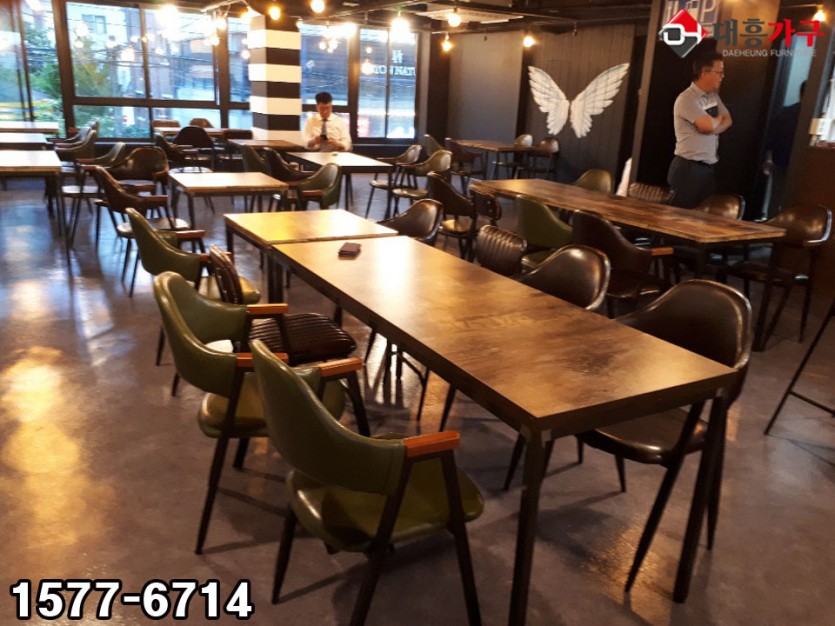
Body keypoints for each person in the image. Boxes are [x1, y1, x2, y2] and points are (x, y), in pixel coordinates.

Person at [668, 52, 732, 208]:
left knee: (702, 215)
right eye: (719, 72)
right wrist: (714, 123)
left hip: (707, 168)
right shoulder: (687, 98)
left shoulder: (713, 97)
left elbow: (728, 120)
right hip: (688, 168)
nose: (722, 76)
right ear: (704, 73)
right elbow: (708, 125)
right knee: (679, 216)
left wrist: (713, 125)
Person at [762, 81, 805, 217]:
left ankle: (772, 222)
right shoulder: (813, 115)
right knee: (798, 199)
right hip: (803, 164)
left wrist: (768, 159)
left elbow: (771, 138)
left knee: (776, 197)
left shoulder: (785, 112)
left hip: (780, 159)